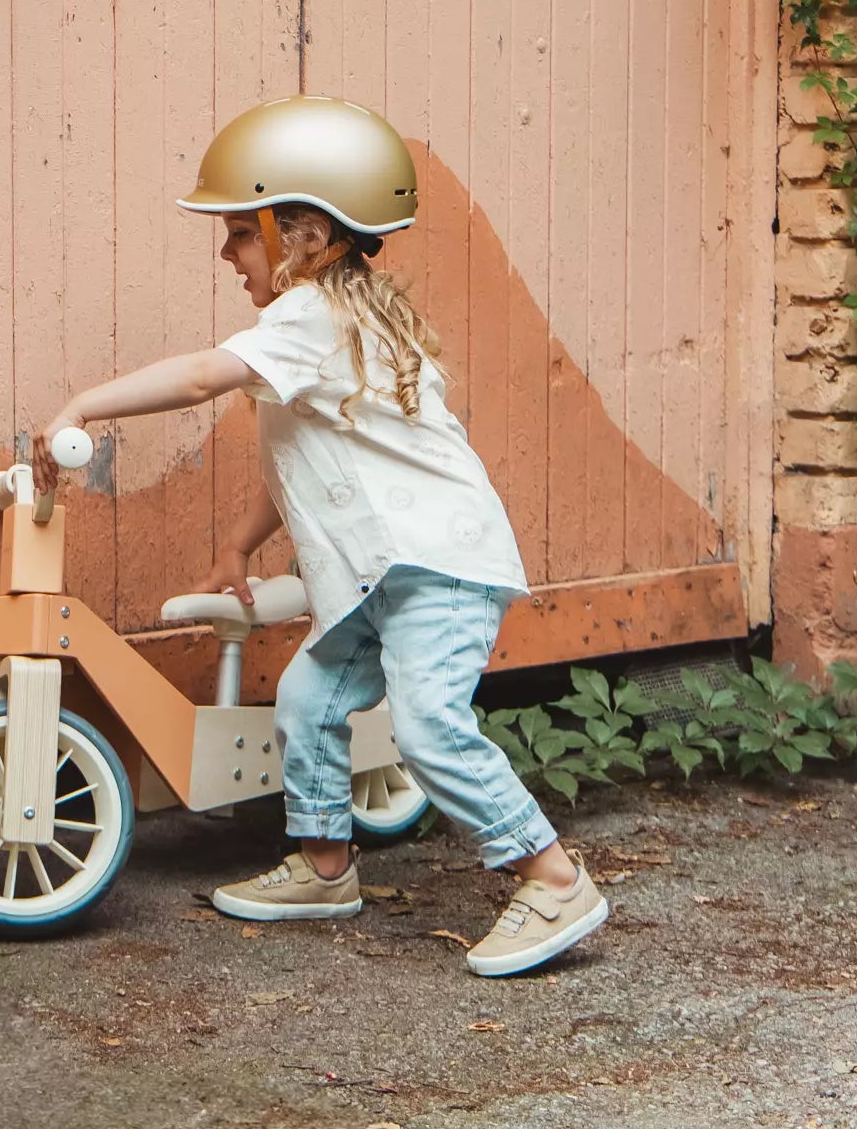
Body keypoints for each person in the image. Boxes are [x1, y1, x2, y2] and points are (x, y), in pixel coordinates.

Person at [32, 95, 608, 979]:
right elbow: (311, 454)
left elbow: (197, 379)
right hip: (387, 574)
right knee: (309, 702)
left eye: (240, 235)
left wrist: (83, 407)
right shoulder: (339, 321)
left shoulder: (305, 320)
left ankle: (553, 876)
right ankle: (327, 866)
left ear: (305, 237)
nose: (227, 254)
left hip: (436, 568)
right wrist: (240, 544)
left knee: (429, 729)